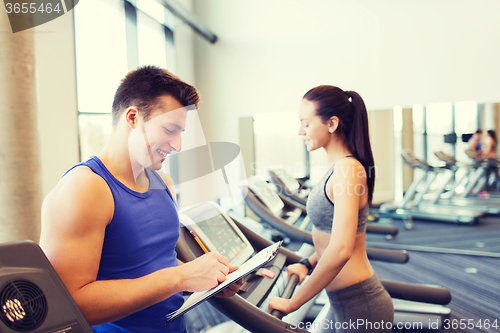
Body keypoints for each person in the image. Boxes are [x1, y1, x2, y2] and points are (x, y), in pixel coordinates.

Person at [39, 66, 242, 333]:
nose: (178, 145)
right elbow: (68, 303)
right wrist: (180, 277)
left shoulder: (163, 182)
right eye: (170, 129)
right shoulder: (85, 189)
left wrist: (203, 279)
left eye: (181, 132)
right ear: (133, 117)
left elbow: (158, 263)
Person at [268, 86, 393, 332]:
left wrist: (294, 302)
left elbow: (342, 249)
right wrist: (307, 262)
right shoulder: (338, 167)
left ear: (332, 123)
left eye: (305, 122)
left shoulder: (348, 170)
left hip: (361, 306)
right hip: (342, 302)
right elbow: (333, 236)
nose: (300, 131)